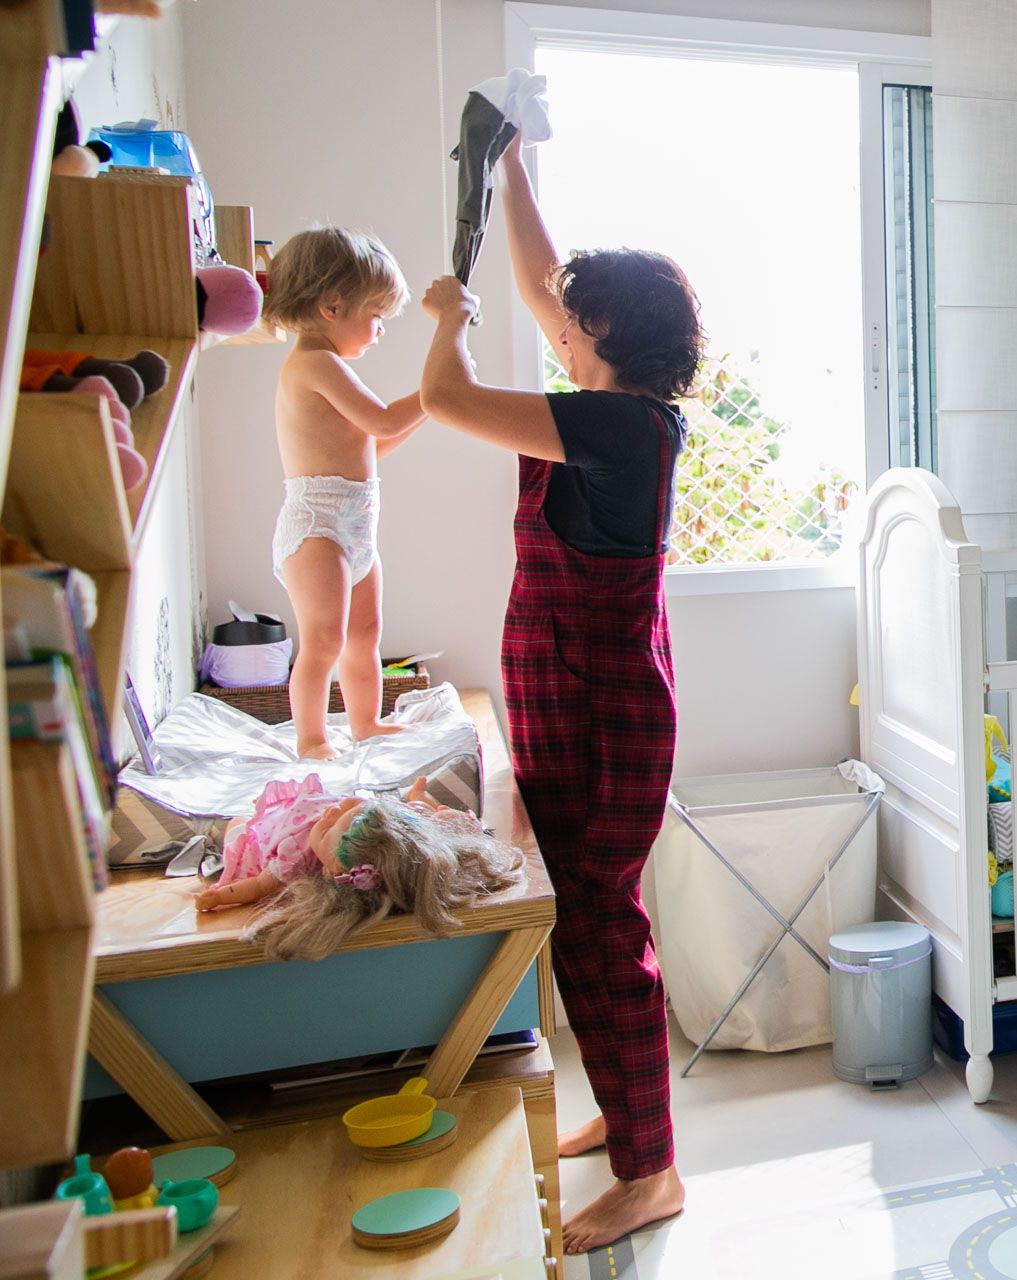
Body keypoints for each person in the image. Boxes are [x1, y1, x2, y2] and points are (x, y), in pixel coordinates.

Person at [415, 131, 700, 1252]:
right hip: (581, 693)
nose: (558, 326)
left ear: (609, 338)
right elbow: (544, 285)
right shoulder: (608, 400)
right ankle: (635, 1127)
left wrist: (447, 317)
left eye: (575, 324)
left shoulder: (615, 423)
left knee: (598, 926)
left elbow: (444, 396)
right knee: (585, 921)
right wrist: (511, 171)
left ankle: (652, 1172)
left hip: (599, 708)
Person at [261, 228, 427, 759]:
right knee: (324, 640)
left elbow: (373, 447)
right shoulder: (315, 364)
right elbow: (381, 418)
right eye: (375, 316)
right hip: (317, 527)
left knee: (366, 636)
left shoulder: (328, 367)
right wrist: (435, 392)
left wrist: (430, 407)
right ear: (332, 307)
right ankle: (310, 737)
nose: (379, 331)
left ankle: (366, 724)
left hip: (355, 526)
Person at [196, 775, 524, 962]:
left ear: (329, 871)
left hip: (271, 832)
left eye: (327, 829)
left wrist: (219, 897)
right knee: (428, 814)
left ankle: (248, 820)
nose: (335, 809)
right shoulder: (385, 829)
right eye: (354, 808)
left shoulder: (294, 858)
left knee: (239, 824)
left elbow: (257, 886)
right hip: (394, 824)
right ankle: (421, 800)